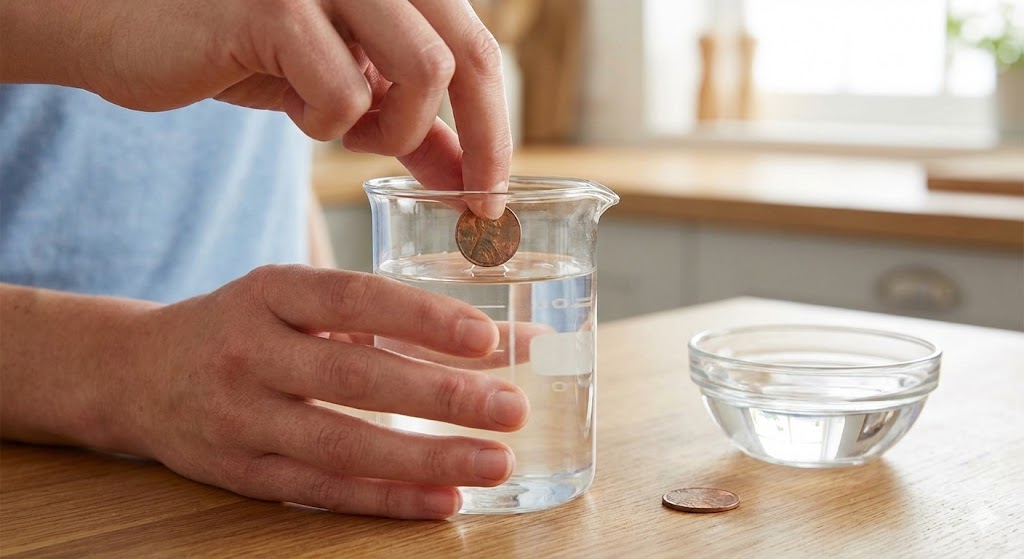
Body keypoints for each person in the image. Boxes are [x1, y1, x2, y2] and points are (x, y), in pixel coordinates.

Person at [0, 0, 529, 520]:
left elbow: (263, 134)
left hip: (272, 478)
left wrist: (324, 330)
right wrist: (137, 370)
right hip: (51, 493)